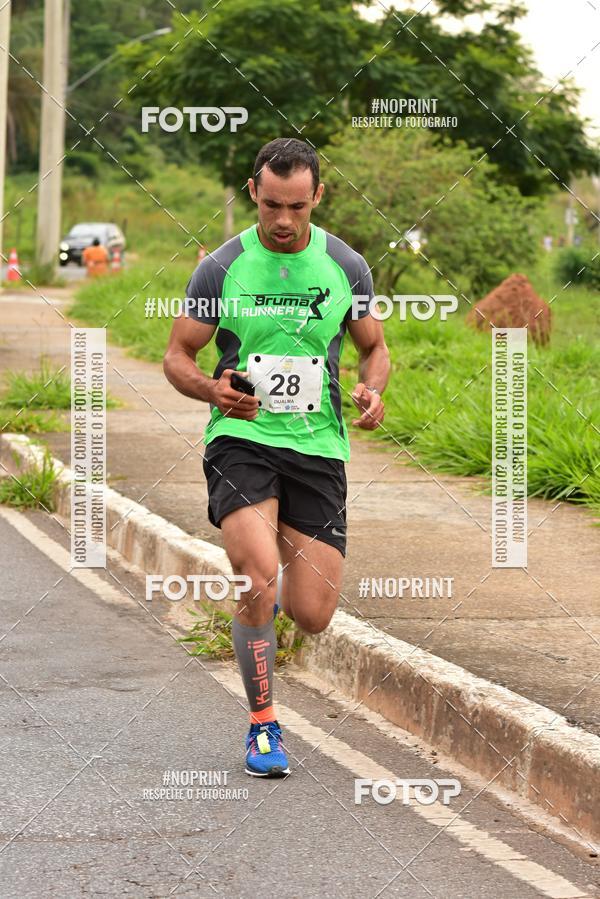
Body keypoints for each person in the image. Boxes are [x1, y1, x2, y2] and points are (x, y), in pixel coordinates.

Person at [163, 137, 390, 777]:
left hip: (319, 444)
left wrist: (374, 388)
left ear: (317, 195)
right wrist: (211, 389)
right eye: (270, 206)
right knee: (257, 577)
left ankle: (263, 605)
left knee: (313, 615)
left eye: (296, 206)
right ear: (253, 194)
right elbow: (177, 356)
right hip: (241, 439)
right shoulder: (222, 268)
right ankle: (263, 725)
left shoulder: (347, 266)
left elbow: (375, 347)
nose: (284, 221)